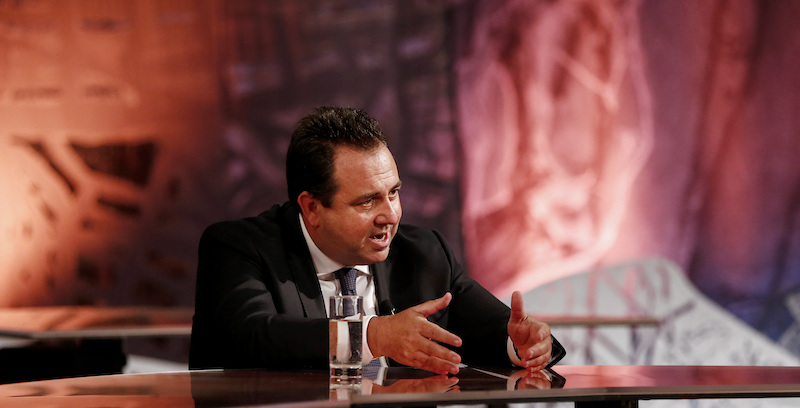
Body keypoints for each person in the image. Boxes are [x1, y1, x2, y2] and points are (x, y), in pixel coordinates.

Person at [190, 106, 565, 375]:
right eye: (367, 201)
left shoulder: (423, 254)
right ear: (312, 208)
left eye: (394, 193)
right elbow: (253, 337)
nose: (391, 215)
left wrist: (524, 345)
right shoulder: (239, 248)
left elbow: (492, 333)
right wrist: (371, 336)